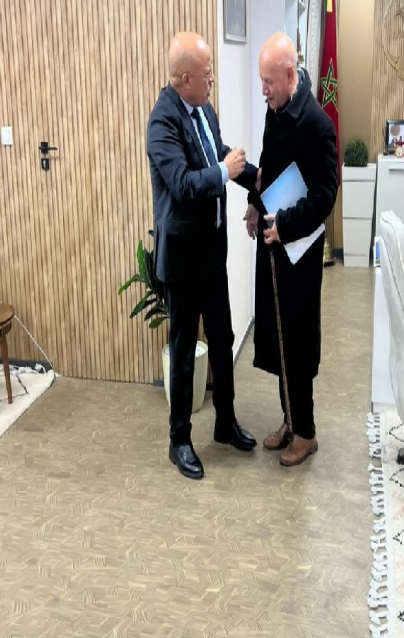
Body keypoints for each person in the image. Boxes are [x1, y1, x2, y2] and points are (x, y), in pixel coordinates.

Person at [146, 31, 261, 480]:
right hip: (182, 261)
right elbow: (183, 183)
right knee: (181, 350)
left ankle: (225, 422)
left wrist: (255, 177)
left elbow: (220, 158)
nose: (212, 81)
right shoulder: (162, 122)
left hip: (212, 254)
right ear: (184, 79)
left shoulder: (204, 110)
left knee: (223, 336)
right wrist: (223, 171)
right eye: (207, 74)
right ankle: (178, 440)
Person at [243, 33, 338, 467]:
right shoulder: (276, 109)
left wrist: (284, 224)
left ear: (288, 74)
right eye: (261, 82)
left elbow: (325, 195)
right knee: (278, 337)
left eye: (268, 82)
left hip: (297, 249)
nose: (263, 90)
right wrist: (254, 203)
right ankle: (290, 419)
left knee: (297, 342)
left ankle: (307, 432)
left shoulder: (317, 123)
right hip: (273, 245)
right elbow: (268, 164)